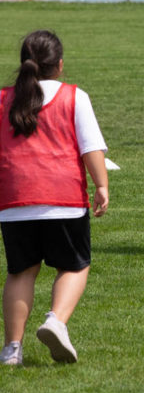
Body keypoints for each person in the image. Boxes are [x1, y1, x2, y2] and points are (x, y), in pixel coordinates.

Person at [1, 31, 108, 365]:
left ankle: (11, 349)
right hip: (63, 199)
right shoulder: (75, 97)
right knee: (74, 265)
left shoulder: (4, 99)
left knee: (21, 271)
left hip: (14, 202)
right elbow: (90, 149)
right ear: (59, 66)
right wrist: (102, 185)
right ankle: (56, 322)